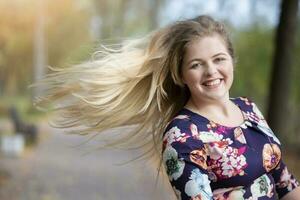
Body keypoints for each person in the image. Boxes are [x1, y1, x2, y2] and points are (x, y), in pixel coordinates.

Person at [32, 15, 300, 199]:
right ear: (181, 75)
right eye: (196, 64)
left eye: (219, 59)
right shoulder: (182, 135)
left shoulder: (249, 109)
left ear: (232, 61)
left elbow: (283, 180)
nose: (211, 71)